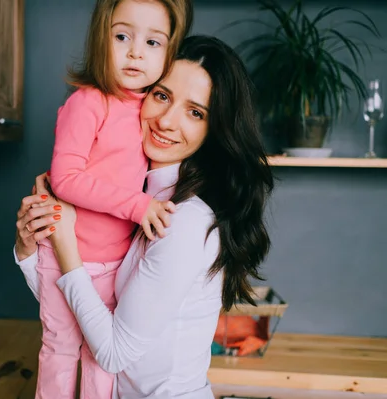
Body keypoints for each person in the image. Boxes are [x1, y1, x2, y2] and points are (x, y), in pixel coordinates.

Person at [15, 35, 274, 398]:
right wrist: (29, 250)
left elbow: (113, 352)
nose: (167, 120)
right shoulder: (137, 199)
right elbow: (81, 310)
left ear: (214, 131)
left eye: (195, 112)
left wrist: (64, 240)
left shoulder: (182, 220)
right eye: (162, 95)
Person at [26, 0, 193, 398]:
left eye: (153, 42)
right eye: (122, 36)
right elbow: (65, 179)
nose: (136, 51)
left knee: (102, 358)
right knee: (61, 349)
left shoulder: (150, 109)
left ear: (170, 53)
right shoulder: (88, 102)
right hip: (67, 257)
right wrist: (139, 207)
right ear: (101, 39)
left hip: (115, 264)